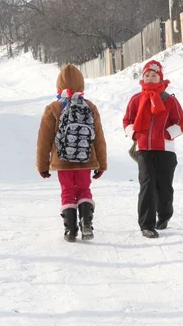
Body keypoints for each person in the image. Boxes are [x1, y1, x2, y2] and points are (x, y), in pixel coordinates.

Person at [36, 64, 107, 242]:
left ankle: (71, 230)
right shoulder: (89, 106)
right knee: (84, 189)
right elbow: (99, 138)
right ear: (81, 85)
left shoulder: (53, 108)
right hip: (86, 159)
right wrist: (101, 164)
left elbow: (44, 140)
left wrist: (42, 165)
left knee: (68, 191)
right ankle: (86, 223)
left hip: (62, 161)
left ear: (59, 86)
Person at [123, 60, 183, 238]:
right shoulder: (136, 99)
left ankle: (164, 216)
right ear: (142, 77)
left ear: (160, 78)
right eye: (147, 75)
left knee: (164, 187)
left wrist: (168, 133)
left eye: (154, 75)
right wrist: (133, 134)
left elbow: (181, 122)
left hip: (166, 150)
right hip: (144, 149)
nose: (150, 78)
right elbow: (127, 120)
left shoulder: (170, 100)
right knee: (147, 184)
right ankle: (146, 225)